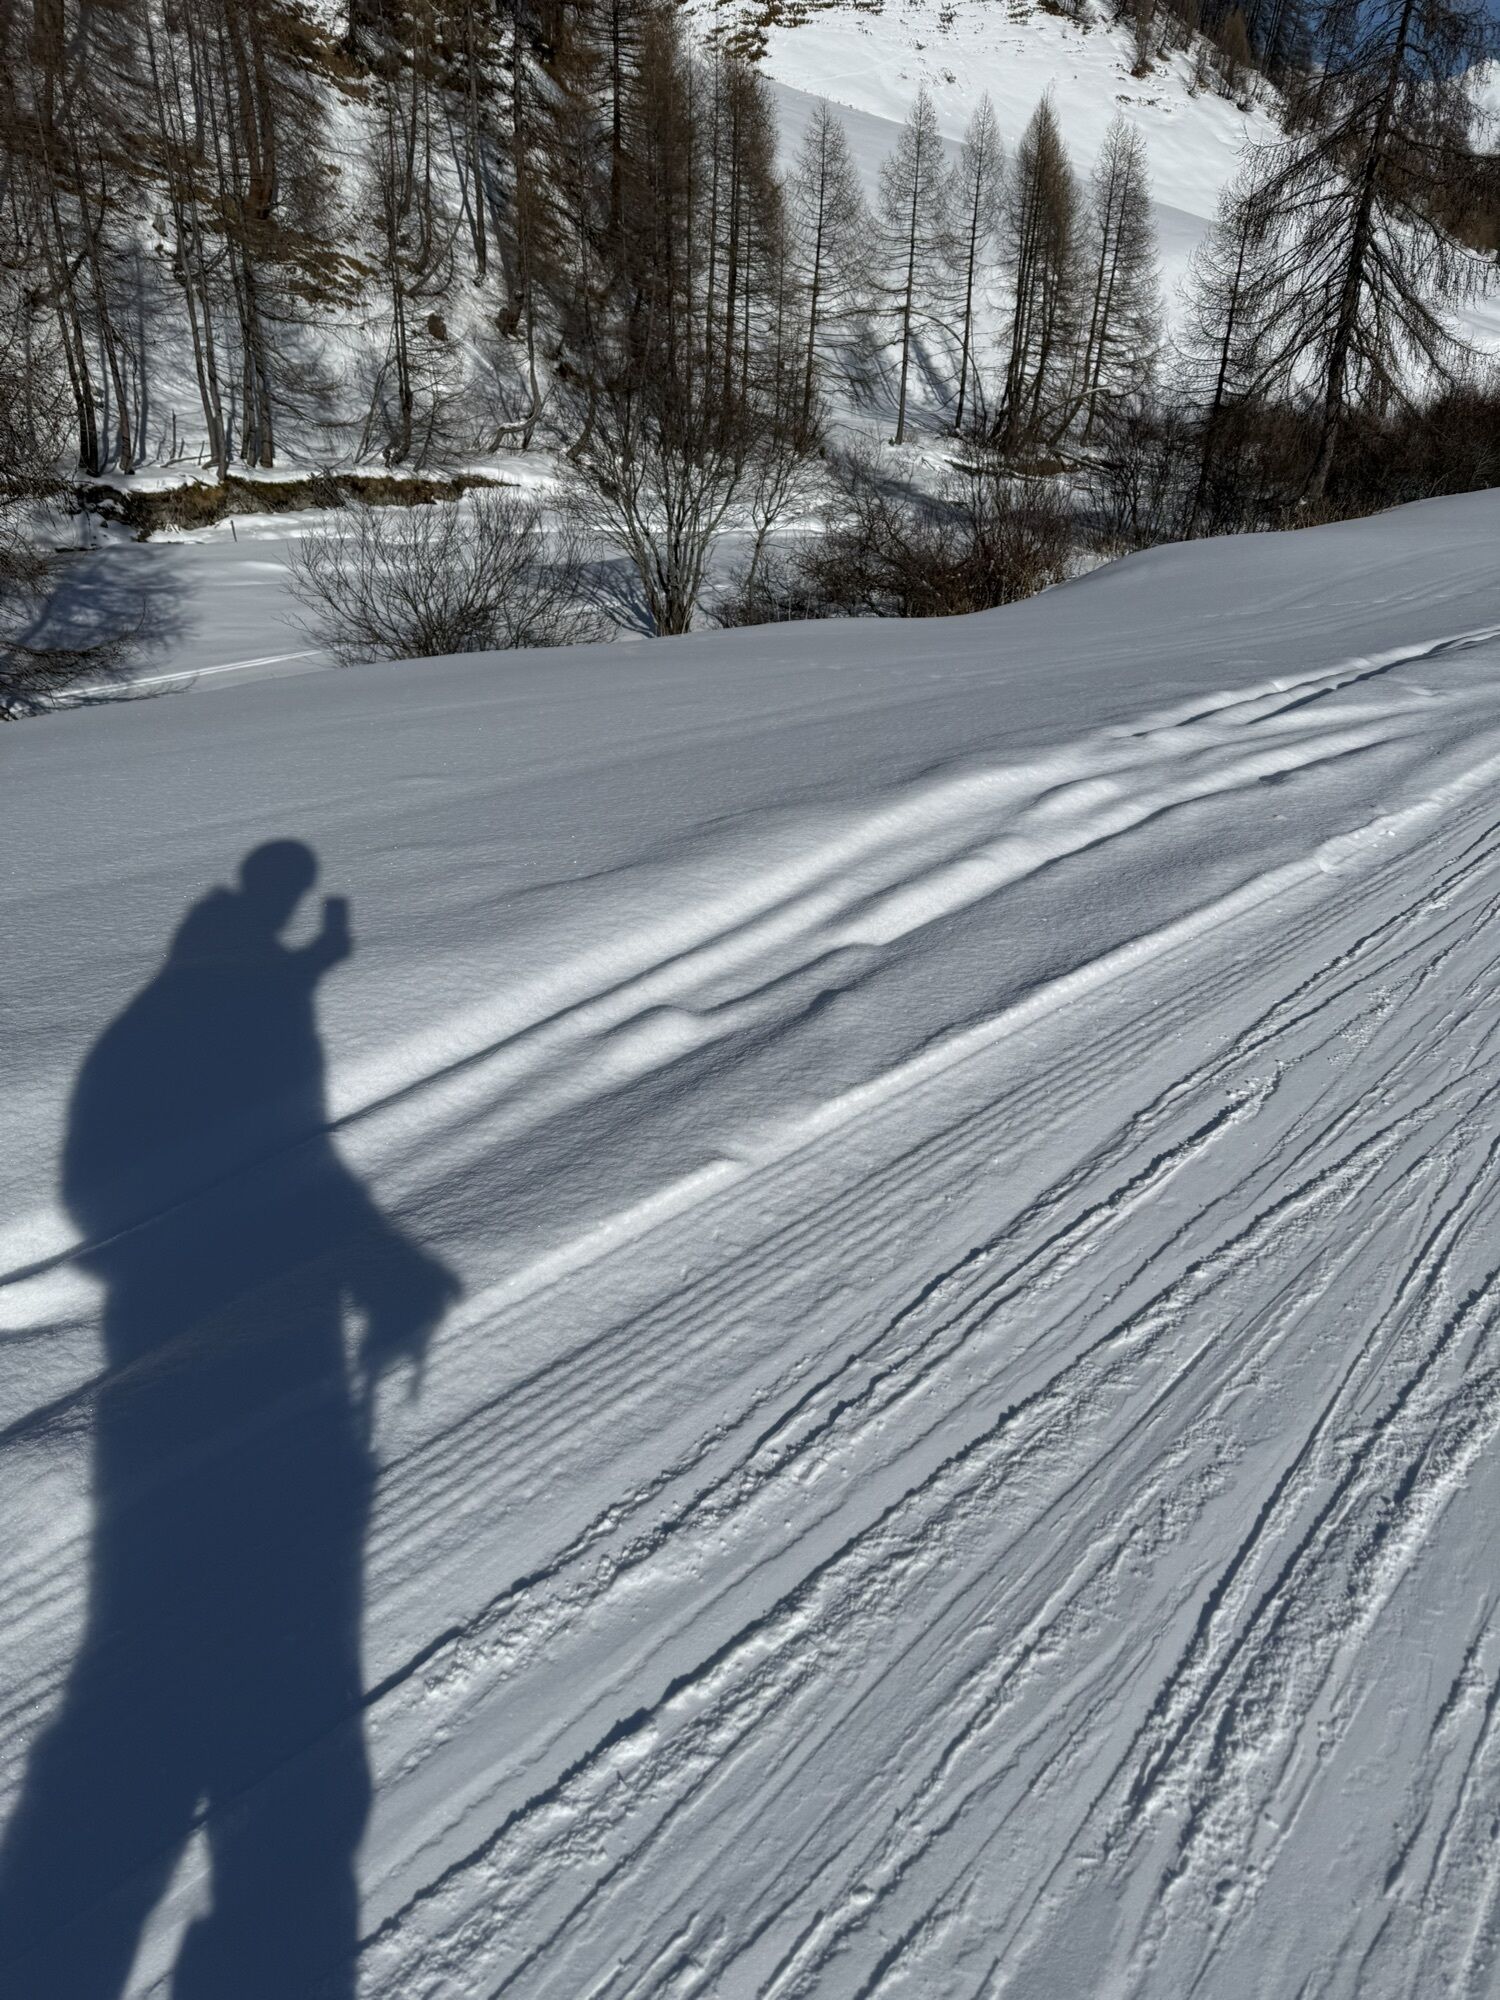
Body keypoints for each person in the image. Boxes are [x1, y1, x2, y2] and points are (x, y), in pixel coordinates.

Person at [0, 841, 457, 1999]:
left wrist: (315, 965)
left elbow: (296, 1148)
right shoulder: (199, 1015)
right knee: (226, 1701)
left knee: (144, 1688)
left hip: (242, 1332)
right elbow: (110, 1186)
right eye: (284, 899)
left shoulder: (237, 994)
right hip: (216, 1337)